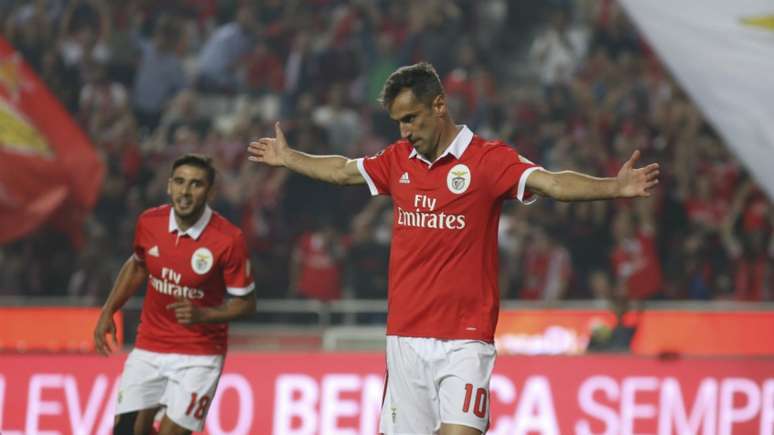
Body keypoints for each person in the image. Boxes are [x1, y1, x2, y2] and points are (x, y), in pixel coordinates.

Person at [247, 62, 659, 435]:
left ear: (439, 105)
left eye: (411, 118)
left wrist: (615, 187)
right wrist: (288, 158)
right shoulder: (397, 160)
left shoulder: (488, 161)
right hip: (406, 336)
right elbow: (340, 171)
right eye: (398, 123)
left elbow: (552, 183)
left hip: (465, 338)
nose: (405, 132)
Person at [93, 154, 256, 435]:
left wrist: (203, 314)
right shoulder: (149, 223)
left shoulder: (228, 239)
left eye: (196, 184)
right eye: (179, 182)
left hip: (199, 355)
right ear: (169, 186)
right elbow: (137, 267)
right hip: (149, 346)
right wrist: (109, 310)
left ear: (210, 191)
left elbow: (247, 303)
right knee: (126, 431)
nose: (185, 191)